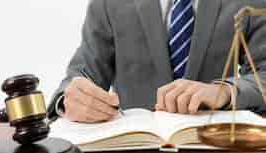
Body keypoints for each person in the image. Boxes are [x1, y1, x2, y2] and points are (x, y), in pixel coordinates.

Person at [48, 0, 266, 123]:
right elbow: (81, 75)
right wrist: (68, 101)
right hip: (129, 152)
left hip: (214, 150)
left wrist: (224, 91)